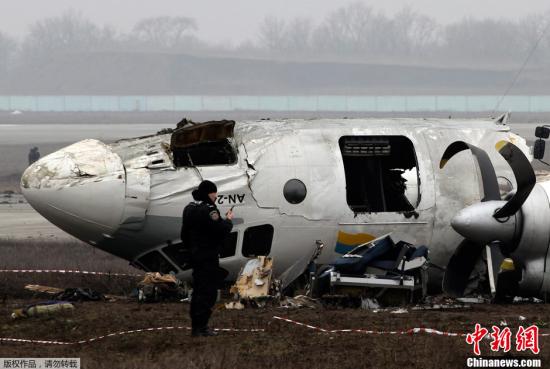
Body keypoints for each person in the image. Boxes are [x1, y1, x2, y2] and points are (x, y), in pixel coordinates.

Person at [181, 180, 233, 337]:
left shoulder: (189, 208)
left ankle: (196, 326)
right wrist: (228, 220)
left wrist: (192, 248)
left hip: (195, 255)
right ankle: (201, 328)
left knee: (198, 291)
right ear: (209, 193)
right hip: (208, 256)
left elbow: (184, 234)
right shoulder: (209, 209)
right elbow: (220, 229)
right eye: (215, 193)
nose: (216, 196)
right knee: (208, 292)